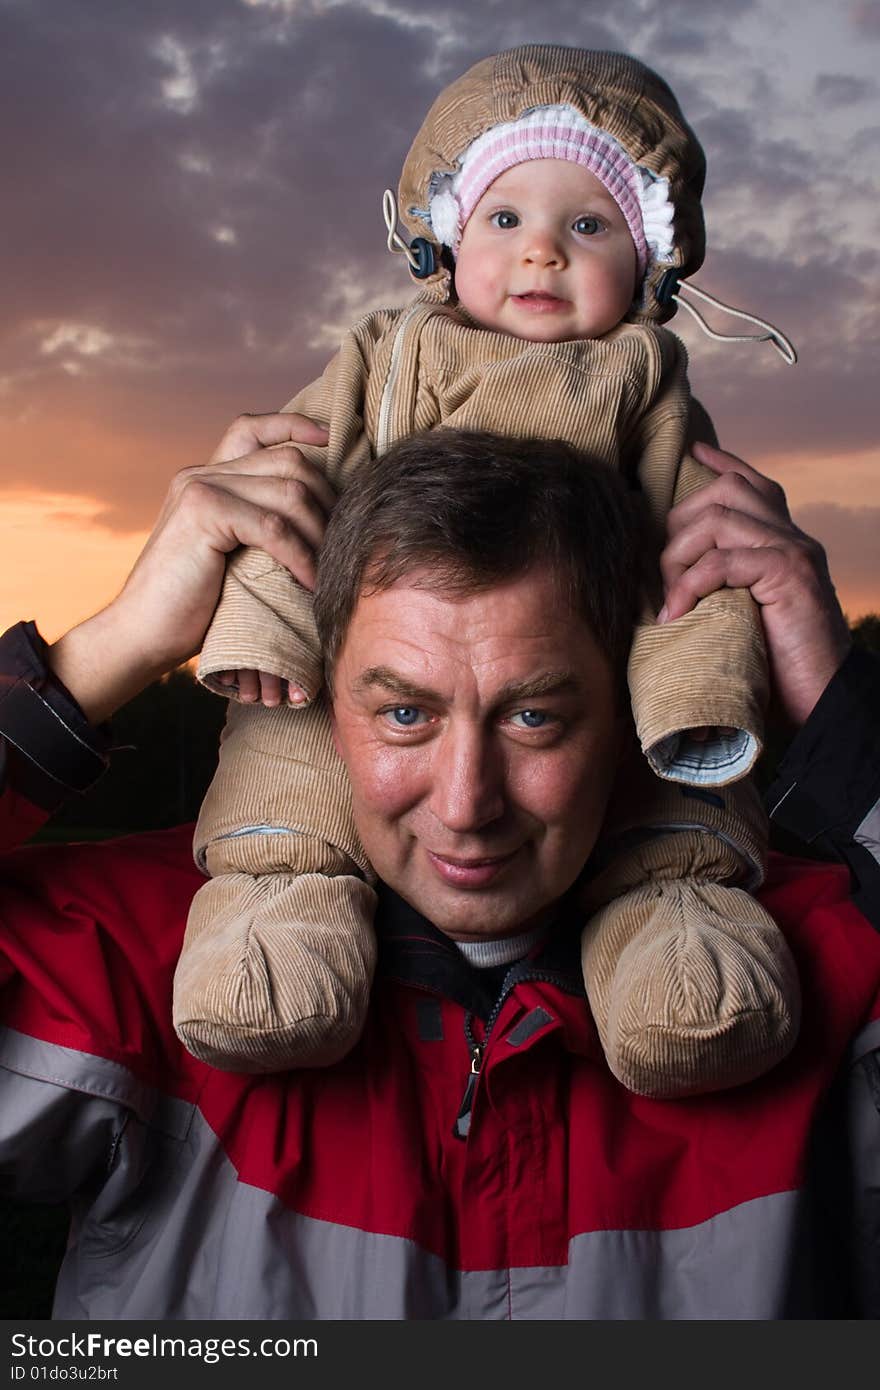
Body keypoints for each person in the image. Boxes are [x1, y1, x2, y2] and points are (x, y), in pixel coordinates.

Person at [1, 422, 878, 1320]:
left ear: (625, 708)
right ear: (321, 701)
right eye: (405, 714)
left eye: (534, 717)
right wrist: (114, 646)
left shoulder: (807, 966)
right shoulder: (144, 962)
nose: (466, 803)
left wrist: (831, 702)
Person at [177, 45, 805, 1095]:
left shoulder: (646, 383)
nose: (542, 255)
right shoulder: (384, 353)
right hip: (328, 664)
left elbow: (698, 567)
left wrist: (700, 707)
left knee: (669, 810)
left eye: (589, 226)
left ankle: (670, 920)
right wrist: (254, 640)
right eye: (505, 220)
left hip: (613, 649)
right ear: (441, 238)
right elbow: (286, 492)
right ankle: (279, 902)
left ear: (653, 260)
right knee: (280, 754)